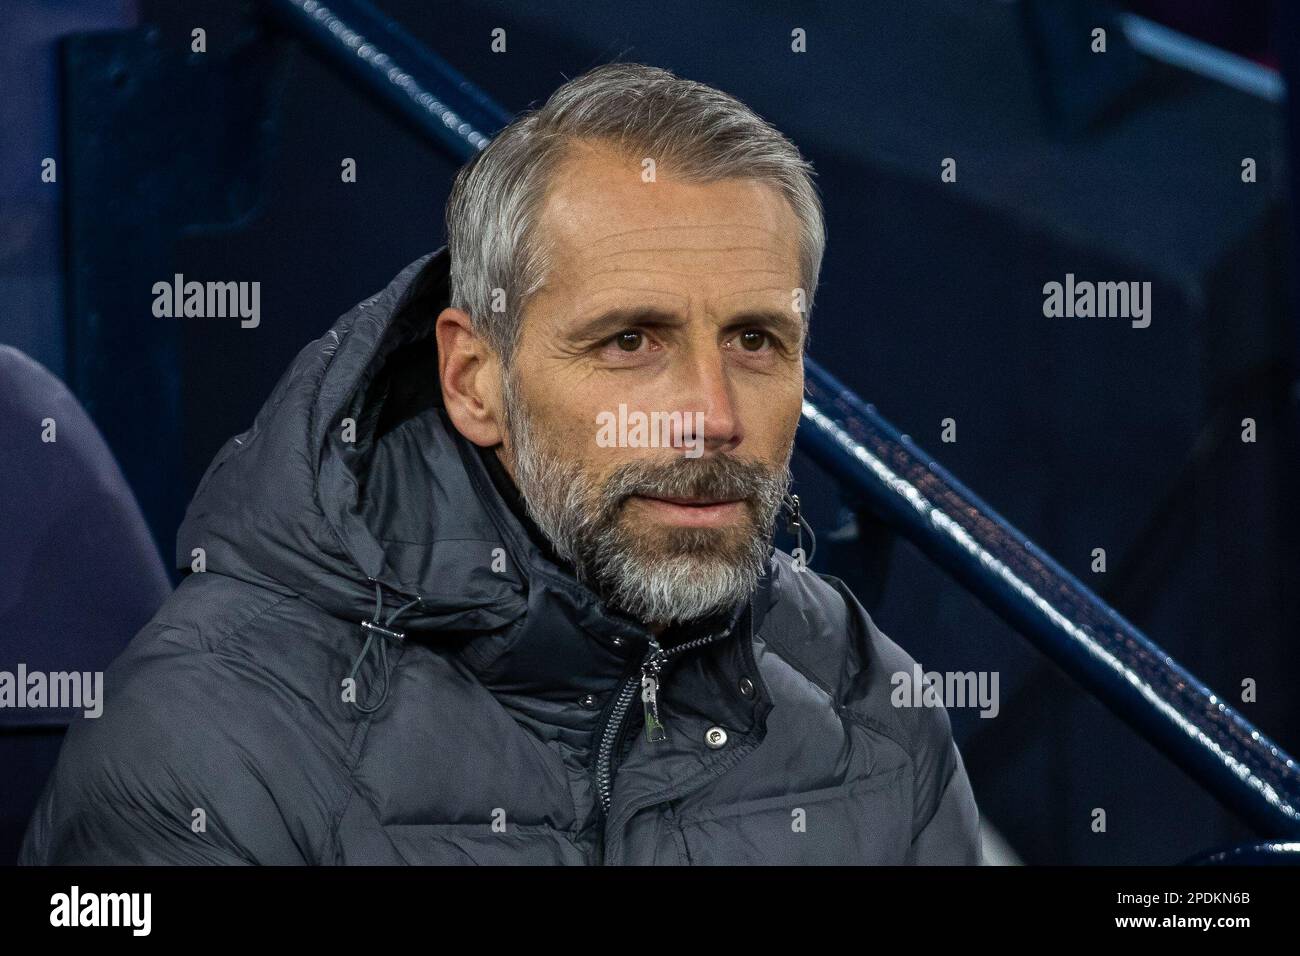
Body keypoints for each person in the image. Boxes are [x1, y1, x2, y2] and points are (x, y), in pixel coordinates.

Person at [21, 62, 982, 865]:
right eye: (629, 342)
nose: (710, 417)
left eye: (756, 341)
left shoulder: (873, 705)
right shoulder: (201, 751)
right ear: (475, 379)